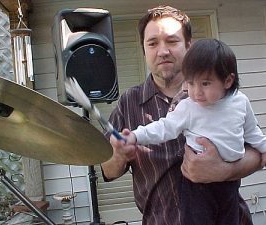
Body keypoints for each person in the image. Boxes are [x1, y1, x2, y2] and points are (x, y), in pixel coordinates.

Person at [101, 5, 263, 225]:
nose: (163, 51)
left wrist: (225, 170)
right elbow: (107, 171)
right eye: (152, 43)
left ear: (189, 45)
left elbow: (257, 152)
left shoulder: (228, 99)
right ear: (144, 50)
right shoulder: (129, 102)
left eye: (172, 41)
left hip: (230, 212)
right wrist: (119, 154)